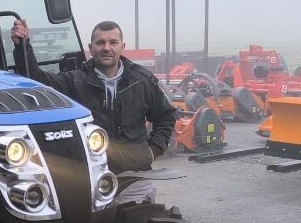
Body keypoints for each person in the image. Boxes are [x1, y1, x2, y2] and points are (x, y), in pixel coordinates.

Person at [11, 18, 177, 172]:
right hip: (90, 175)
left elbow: (166, 116)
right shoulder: (74, 82)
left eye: (113, 42)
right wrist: (22, 47)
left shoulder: (142, 81)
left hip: (136, 175)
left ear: (122, 47)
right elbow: (37, 81)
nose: (107, 48)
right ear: (91, 48)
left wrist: (153, 151)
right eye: (100, 43)